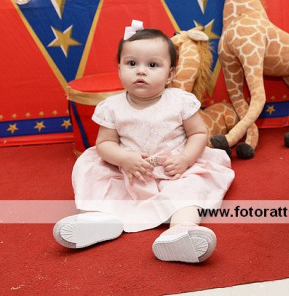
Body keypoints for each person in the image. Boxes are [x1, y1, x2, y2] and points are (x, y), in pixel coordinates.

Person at [53, 21, 234, 263]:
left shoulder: (180, 101)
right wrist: (123, 158)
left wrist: (185, 159)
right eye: (131, 64)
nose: (141, 71)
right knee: (91, 169)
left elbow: (199, 134)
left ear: (170, 74)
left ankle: (181, 230)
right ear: (119, 69)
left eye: (152, 65)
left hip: (173, 169)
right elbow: (105, 143)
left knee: (191, 188)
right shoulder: (112, 107)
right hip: (131, 170)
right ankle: (96, 219)